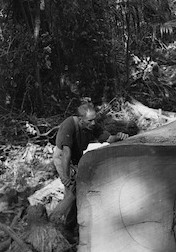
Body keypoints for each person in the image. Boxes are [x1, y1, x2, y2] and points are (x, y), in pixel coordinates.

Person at [51, 102, 128, 241]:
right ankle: (57, 225)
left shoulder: (91, 125)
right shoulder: (69, 125)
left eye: (94, 120)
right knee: (71, 194)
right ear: (80, 119)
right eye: (90, 120)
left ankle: (73, 224)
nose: (93, 123)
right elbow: (66, 153)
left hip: (76, 157)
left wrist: (119, 137)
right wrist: (66, 177)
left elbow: (109, 138)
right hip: (63, 158)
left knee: (81, 190)